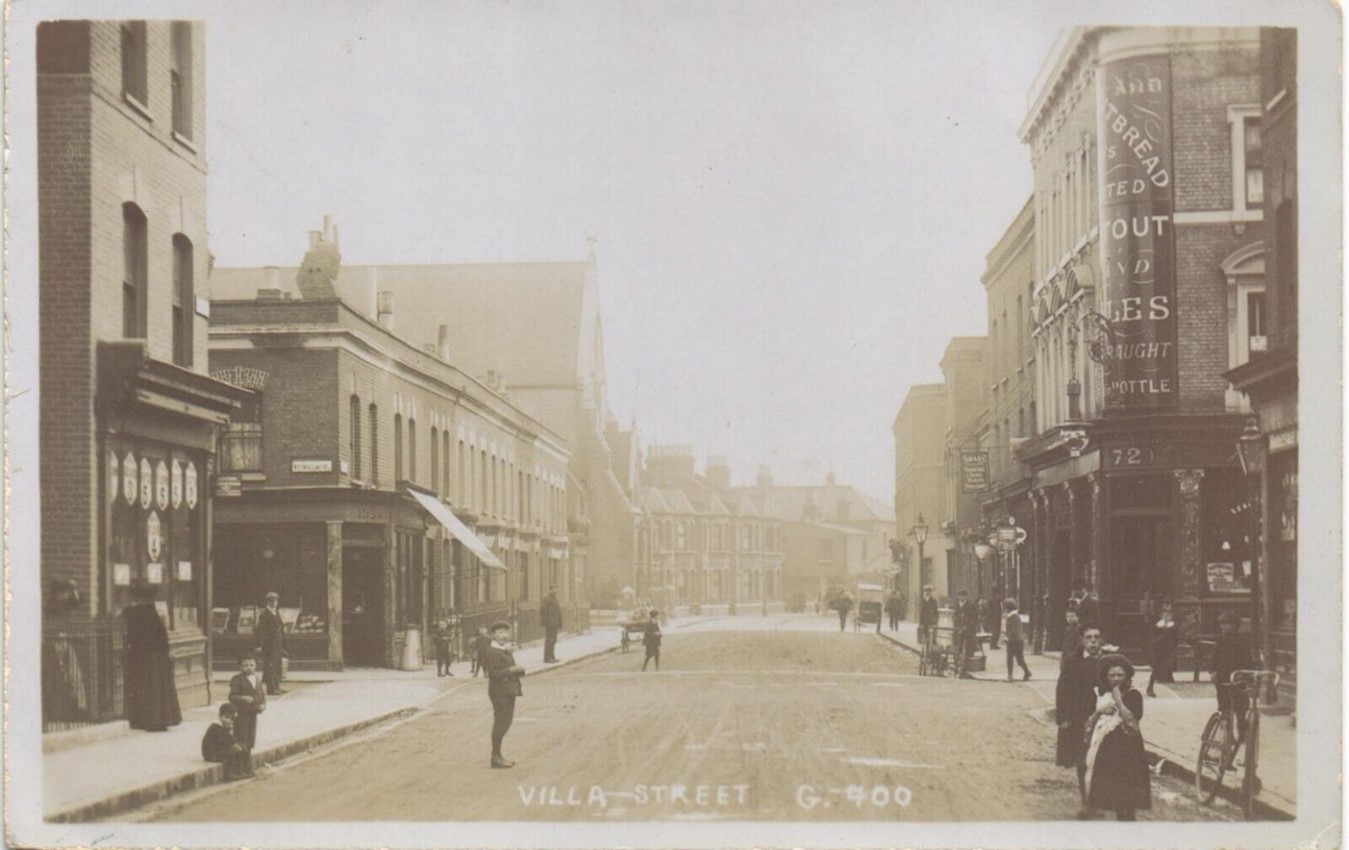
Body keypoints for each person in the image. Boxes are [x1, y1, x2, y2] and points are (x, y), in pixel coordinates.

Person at [1083, 654, 1151, 820]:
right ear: (1105, 677)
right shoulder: (1101, 694)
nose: (1116, 679)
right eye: (1112, 675)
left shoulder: (1133, 694)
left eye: (1120, 675)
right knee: (1110, 791)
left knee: (1126, 793)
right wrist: (1100, 711)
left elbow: (1133, 722)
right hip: (1106, 748)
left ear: (1127, 676)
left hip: (1127, 750)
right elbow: (1089, 722)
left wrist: (1119, 701)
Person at [1056, 622, 1104, 815]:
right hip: (1079, 718)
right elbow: (1063, 689)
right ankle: (1087, 802)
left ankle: (1097, 799)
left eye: (1096, 637)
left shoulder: (1108, 661)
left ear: (1102, 640)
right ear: (1082, 641)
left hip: (1103, 718)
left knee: (1100, 760)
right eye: (1089, 638)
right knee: (1083, 759)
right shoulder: (1072, 661)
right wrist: (1063, 717)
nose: (1093, 641)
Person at [122, 582, 182, 732]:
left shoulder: (131, 612)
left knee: (144, 687)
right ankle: (160, 719)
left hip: (141, 656)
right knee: (158, 688)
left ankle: (144, 720)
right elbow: (163, 633)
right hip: (159, 656)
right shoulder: (157, 611)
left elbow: (128, 634)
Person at [481, 620, 526, 768]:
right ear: (493, 635)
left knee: (505, 722)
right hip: (499, 691)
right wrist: (511, 670)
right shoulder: (493, 652)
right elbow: (492, 673)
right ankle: (495, 757)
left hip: (507, 690)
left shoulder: (502, 650)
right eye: (500, 632)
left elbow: (506, 669)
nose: (504, 635)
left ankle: (497, 755)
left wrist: (518, 670)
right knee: (501, 723)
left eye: (506, 632)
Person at [1212, 610, 1254, 744]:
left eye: (1226, 624)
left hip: (1238, 678)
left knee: (1241, 708)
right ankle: (1228, 734)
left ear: (1235, 625)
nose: (1223, 627)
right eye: (1222, 624)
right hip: (1223, 678)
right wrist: (1213, 672)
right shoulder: (1220, 640)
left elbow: (1247, 659)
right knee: (1224, 707)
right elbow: (1214, 658)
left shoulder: (1242, 641)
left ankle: (1242, 733)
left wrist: (1245, 674)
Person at [228, 652, 267, 775]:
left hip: (253, 714)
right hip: (241, 714)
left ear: (256, 666)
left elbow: (261, 695)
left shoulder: (257, 679)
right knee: (241, 739)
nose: (249, 668)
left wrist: (262, 705)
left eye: (251, 665)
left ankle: (247, 766)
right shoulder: (237, 679)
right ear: (240, 667)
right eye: (245, 665)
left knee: (250, 740)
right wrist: (243, 698)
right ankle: (239, 768)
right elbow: (232, 696)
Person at [201, 703, 251, 780]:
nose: (231, 721)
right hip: (212, 754)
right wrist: (227, 729)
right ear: (222, 717)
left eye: (232, 719)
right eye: (229, 718)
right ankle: (229, 774)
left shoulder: (226, 727)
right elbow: (229, 741)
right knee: (232, 750)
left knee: (242, 746)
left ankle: (242, 770)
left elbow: (233, 740)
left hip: (220, 750)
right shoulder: (215, 727)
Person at [256, 591, 287, 695]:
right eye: (271, 601)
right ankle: (271, 688)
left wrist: (283, 643)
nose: (274, 603)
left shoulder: (276, 612)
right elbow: (261, 631)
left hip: (278, 644)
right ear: (267, 602)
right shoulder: (264, 615)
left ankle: (277, 686)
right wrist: (260, 645)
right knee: (270, 666)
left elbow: (280, 627)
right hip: (269, 645)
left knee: (277, 666)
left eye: (275, 601)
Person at [1146, 600, 1177, 697]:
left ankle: (1164, 679)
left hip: (1167, 646)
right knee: (1156, 666)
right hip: (1156, 647)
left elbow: (1175, 634)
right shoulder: (1156, 620)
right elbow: (1152, 633)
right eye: (1165, 613)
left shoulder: (1172, 621)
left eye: (1169, 613)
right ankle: (1150, 686)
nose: (1167, 614)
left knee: (1164, 664)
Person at [1003, 598, 1032, 682]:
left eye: (1005, 607)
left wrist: (1008, 637)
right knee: (1015, 658)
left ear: (1009, 607)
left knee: (1015, 659)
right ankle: (1023, 673)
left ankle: (1022, 673)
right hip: (1016, 640)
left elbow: (1014, 629)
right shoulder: (1013, 616)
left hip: (1015, 641)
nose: (1004, 609)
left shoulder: (1014, 616)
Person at [952, 591, 978, 677]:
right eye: (959, 596)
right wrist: (956, 624)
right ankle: (957, 666)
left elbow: (975, 619)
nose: (961, 598)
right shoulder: (956, 605)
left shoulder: (971, 605)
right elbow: (954, 616)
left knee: (968, 649)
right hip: (958, 630)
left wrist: (967, 626)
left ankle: (966, 668)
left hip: (968, 631)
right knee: (957, 648)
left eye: (962, 596)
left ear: (966, 597)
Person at [541, 586, 564, 663]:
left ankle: (552, 656)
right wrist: (546, 623)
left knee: (553, 640)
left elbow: (558, 612)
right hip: (550, 624)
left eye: (556, 589)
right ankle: (547, 658)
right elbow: (543, 611)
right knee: (549, 641)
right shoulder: (546, 599)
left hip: (555, 624)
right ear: (550, 590)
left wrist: (559, 623)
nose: (555, 591)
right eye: (553, 589)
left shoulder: (555, 599)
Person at [1059, 607, 1082, 672]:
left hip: (1074, 658)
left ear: (1078, 617)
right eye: (1068, 616)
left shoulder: (1080, 629)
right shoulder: (1068, 629)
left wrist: (1070, 656)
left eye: (1072, 616)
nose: (1070, 619)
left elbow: (1079, 646)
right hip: (1066, 657)